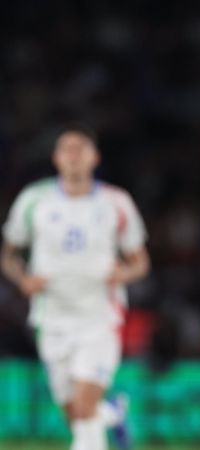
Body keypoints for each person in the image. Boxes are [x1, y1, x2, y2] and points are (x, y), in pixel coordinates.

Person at [1, 123, 150, 450]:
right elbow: (8, 255)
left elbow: (140, 262)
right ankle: (112, 414)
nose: (73, 156)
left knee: (84, 408)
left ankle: (101, 418)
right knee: (75, 412)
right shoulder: (34, 200)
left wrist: (122, 273)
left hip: (98, 317)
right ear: (55, 158)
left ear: (94, 157)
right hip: (51, 318)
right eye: (65, 149)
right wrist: (23, 278)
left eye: (80, 148)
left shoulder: (115, 202)